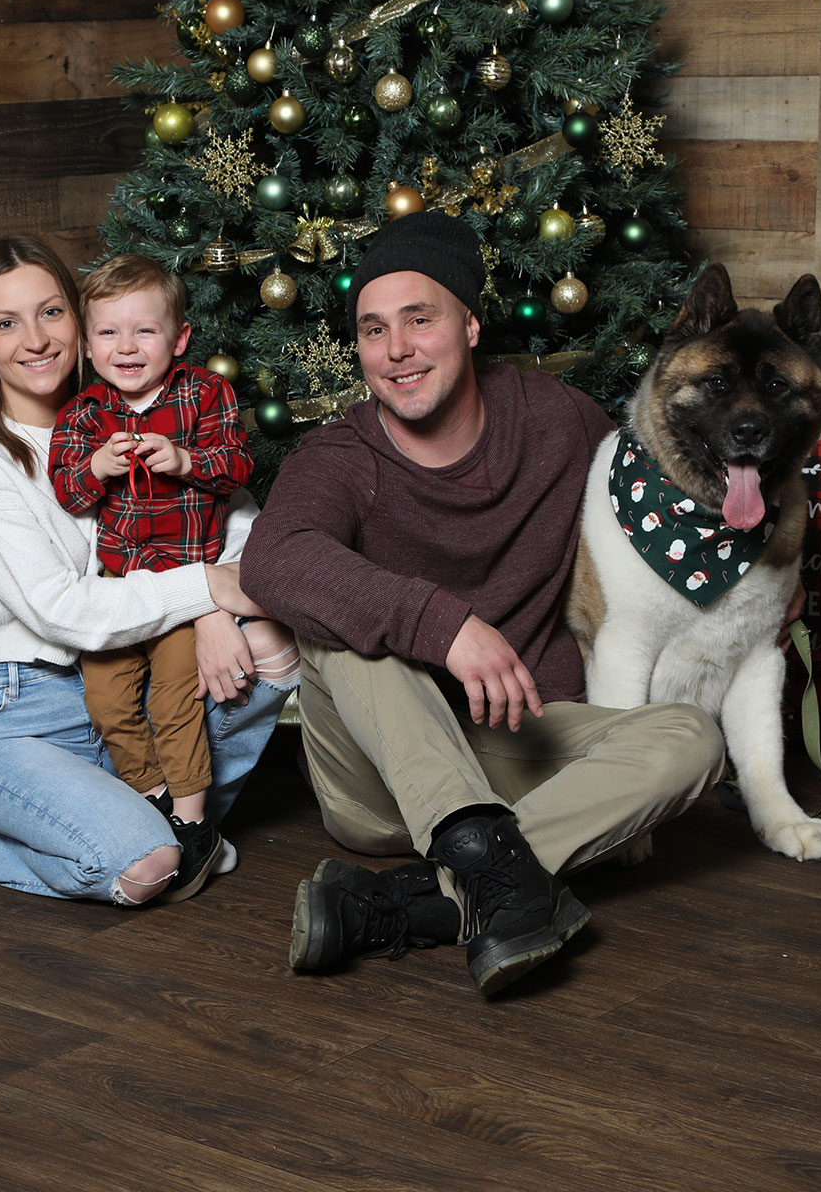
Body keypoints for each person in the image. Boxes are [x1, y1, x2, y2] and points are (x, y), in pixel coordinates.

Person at [239, 211, 727, 996]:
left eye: (418, 320)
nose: (395, 349)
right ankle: (476, 861)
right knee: (344, 620)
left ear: (469, 325)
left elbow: (657, 512)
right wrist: (447, 625)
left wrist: (766, 563)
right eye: (372, 330)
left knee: (691, 738)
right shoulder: (339, 458)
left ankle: (418, 900)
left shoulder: (556, 420)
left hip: (512, 753)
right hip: (381, 781)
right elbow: (276, 557)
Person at [0, 234, 296, 906]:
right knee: (148, 868)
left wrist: (214, 609)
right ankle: (26, 835)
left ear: (82, 323)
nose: (35, 340)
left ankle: (166, 823)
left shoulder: (119, 412)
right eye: (5, 324)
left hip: (124, 678)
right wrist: (205, 589)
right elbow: (60, 609)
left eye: (50, 313)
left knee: (271, 640)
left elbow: (240, 518)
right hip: (14, 708)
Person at [46, 254, 253, 890]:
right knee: (106, 700)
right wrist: (99, 470)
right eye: (108, 333)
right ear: (87, 344)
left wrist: (186, 459)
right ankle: (156, 795)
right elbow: (68, 492)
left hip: (186, 589)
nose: (126, 347)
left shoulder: (204, 393)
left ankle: (193, 821)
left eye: (145, 331)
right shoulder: (84, 414)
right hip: (120, 592)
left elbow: (239, 470)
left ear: (179, 338)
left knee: (173, 699)